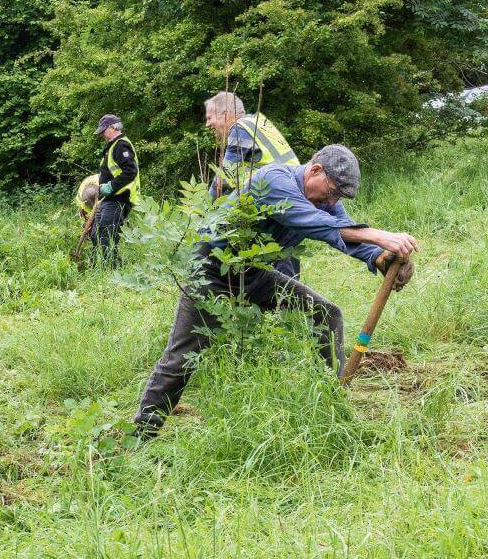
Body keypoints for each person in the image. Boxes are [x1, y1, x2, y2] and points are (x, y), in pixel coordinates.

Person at [132, 145, 417, 439]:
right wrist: (377, 235)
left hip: (254, 272)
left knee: (326, 315)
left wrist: (379, 258)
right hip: (211, 272)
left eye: (338, 198)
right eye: (332, 192)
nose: (332, 201)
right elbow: (314, 223)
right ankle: (140, 433)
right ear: (315, 170)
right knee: (183, 356)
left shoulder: (326, 203)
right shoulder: (274, 179)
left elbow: (342, 233)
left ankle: (330, 405)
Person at [204, 91, 302, 277]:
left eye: (210, 118)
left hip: (278, 198)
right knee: (284, 259)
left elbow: (224, 178)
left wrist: (203, 212)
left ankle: (285, 304)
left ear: (225, 114)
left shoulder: (240, 128)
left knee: (277, 266)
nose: (208, 124)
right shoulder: (259, 123)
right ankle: (291, 303)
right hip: (292, 196)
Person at [92, 114, 140, 265]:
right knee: (95, 234)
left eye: (103, 131)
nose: (101, 134)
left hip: (118, 198)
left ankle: (111, 269)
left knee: (106, 235)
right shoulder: (112, 146)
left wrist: (110, 186)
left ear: (113, 127)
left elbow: (131, 171)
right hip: (107, 199)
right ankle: (98, 264)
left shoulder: (121, 145)